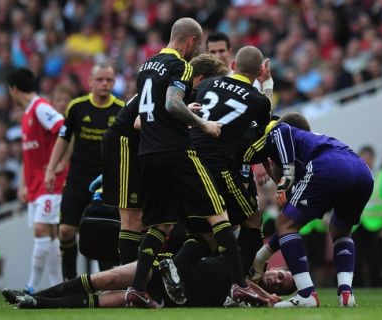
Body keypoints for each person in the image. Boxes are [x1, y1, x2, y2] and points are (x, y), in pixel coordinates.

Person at [129, 17, 260, 308]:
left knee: (159, 226)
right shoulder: (182, 66)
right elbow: (172, 104)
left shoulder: (145, 67)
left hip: (148, 156)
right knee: (219, 216)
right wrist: (203, 124)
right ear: (190, 41)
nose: (196, 51)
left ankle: (137, 288)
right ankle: (239, 286)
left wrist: (179, 112)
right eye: (197, 45)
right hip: (177, 154)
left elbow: (141, 119)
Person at [88, 53, 230, 266]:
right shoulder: (178, 91)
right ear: (200, 79)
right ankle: (128, 285)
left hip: (144, 149)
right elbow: (138, 122)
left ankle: (142, 279)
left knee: (161, 221)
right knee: (132, 221)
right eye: (211, 84)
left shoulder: (172, 83)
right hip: (125, 142)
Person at [249, 114, 374, 307]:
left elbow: (286, 224)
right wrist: (264, 254)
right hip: (362, 170)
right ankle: (346, 294)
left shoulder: (280, 134)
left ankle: (307, 294)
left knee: (285, 223)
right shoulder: (310, 144)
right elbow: (290, 219)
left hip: (328, 166)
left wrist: (260, 257)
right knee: (340, 230)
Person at [178, 46, 271, 276]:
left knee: (207, 234)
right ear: (260, 70)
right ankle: (239, 286)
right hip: (218, 167)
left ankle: (172, 270)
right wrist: (267, 84)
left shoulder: (208, 84)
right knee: (252, 219)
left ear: (232, 66)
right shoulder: (258, 100)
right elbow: (264, 128)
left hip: (188, 162)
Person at [1, 248, 295, 309]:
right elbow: (251, 272)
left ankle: (34, 302)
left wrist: (273, 302)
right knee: (104, 279)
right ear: (274, 268)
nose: (278, 280)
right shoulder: (247, 261)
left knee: (109, 301)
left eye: (283, 284)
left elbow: (251, 295)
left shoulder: (254, 304)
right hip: (168, 271)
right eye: (282, 274)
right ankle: (39, 292)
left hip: (177, 299)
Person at [45, 63, 125, 278]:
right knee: (65, 231)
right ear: (90, 81)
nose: (104, 84)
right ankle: (69, 281)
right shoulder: (77, 107)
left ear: (114, 82)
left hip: (107, 181)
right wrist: (51, 169)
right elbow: (64, 139)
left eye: (109, 80)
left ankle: (104, 283)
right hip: (78, 178)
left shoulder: (121, 109)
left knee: (104, 232)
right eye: (100, 79)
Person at [7, 67, 67, 294]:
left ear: (13, 89)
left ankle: (30, 286)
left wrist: (60, 164)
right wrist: (23, 184)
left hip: (49, 182)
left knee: (42, 230)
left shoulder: (41, 108)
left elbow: (65, 129)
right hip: (35, 184)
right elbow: (28, 154)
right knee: (49, 234)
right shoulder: (28, 113)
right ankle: (56, 286)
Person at [354, 146, 382, 287]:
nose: (366, 160)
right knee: (356, 259)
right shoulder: (353, 176)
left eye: (369, 157)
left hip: (377, 225)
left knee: (375, 260)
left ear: (373, 159)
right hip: (356, 225)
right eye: (363, 157)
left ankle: (376, 287)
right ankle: (356, 288)